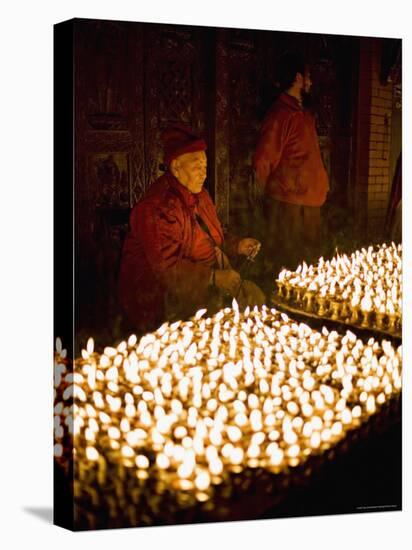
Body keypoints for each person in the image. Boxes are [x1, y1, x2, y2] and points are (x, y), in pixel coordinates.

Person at [118, 124, 265, 332]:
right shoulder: (157, 208)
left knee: (256, 302)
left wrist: (238, 245)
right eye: (197, 167)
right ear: (176, 167)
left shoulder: (200, 195)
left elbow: (214, 235)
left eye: (205, 166)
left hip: (205, 287)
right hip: (162, 301)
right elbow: (167, 269)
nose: (204, 174)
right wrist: (214, 278)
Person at [254, 52, 329, 275]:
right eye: (309, 77)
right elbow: (263, 160)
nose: (311, 82)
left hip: (310, 205)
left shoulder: (302, 113)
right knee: (290, 267)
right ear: (298, 78)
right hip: (289, 206)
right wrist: (276, 193)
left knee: (309, 268)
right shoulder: (280, 114)